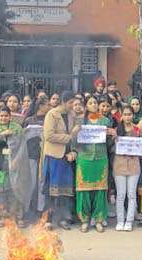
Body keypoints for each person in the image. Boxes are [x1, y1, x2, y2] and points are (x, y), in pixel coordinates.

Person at [70, 96, 114, 233]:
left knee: (100, 190)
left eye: (95, 102)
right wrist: (74, 132)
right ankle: (84, 220)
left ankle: (99, 220)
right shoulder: (79, 121)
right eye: (90, 102)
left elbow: (109, 144)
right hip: (84, 158)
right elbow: (73, 142)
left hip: (101, 158)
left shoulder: (105, 121)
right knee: (83, 190)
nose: (93, 104)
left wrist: (112, 135)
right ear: (86, 105)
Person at [42, 91, 76, 230]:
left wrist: (74, 151)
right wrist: (68, 137)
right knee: (51, 190)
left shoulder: (72, 115)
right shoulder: (52, 114)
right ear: (63, 102)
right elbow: (48, 135)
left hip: (67, 156)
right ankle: (47, 219)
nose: (72, 105)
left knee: (65, 190)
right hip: (54, 156)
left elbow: (76, 136)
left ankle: (63, 219)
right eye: (70, 103)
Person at [113, 105, 141, 232]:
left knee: (131, 194)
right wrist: (114, 140)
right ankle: (120, 220)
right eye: (125, 114)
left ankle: (129, 221)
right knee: (120, 195)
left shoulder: (138, 130)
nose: (127, 117)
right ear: (121, 116)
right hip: (119, 165)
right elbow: (112, 148)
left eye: (129, 114)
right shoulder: (116, 130)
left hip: (134, 165)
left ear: (133, 115)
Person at [23, 96, 50, 218]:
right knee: (31, 182)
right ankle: (27, 208)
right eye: (47, 105)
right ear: (41, 106)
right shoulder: (29, 120)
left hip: (45, 154)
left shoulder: (49, 119)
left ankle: (41, 208)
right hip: (31, 154)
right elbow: (22, 137)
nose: (49, 107)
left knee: (42, 182)